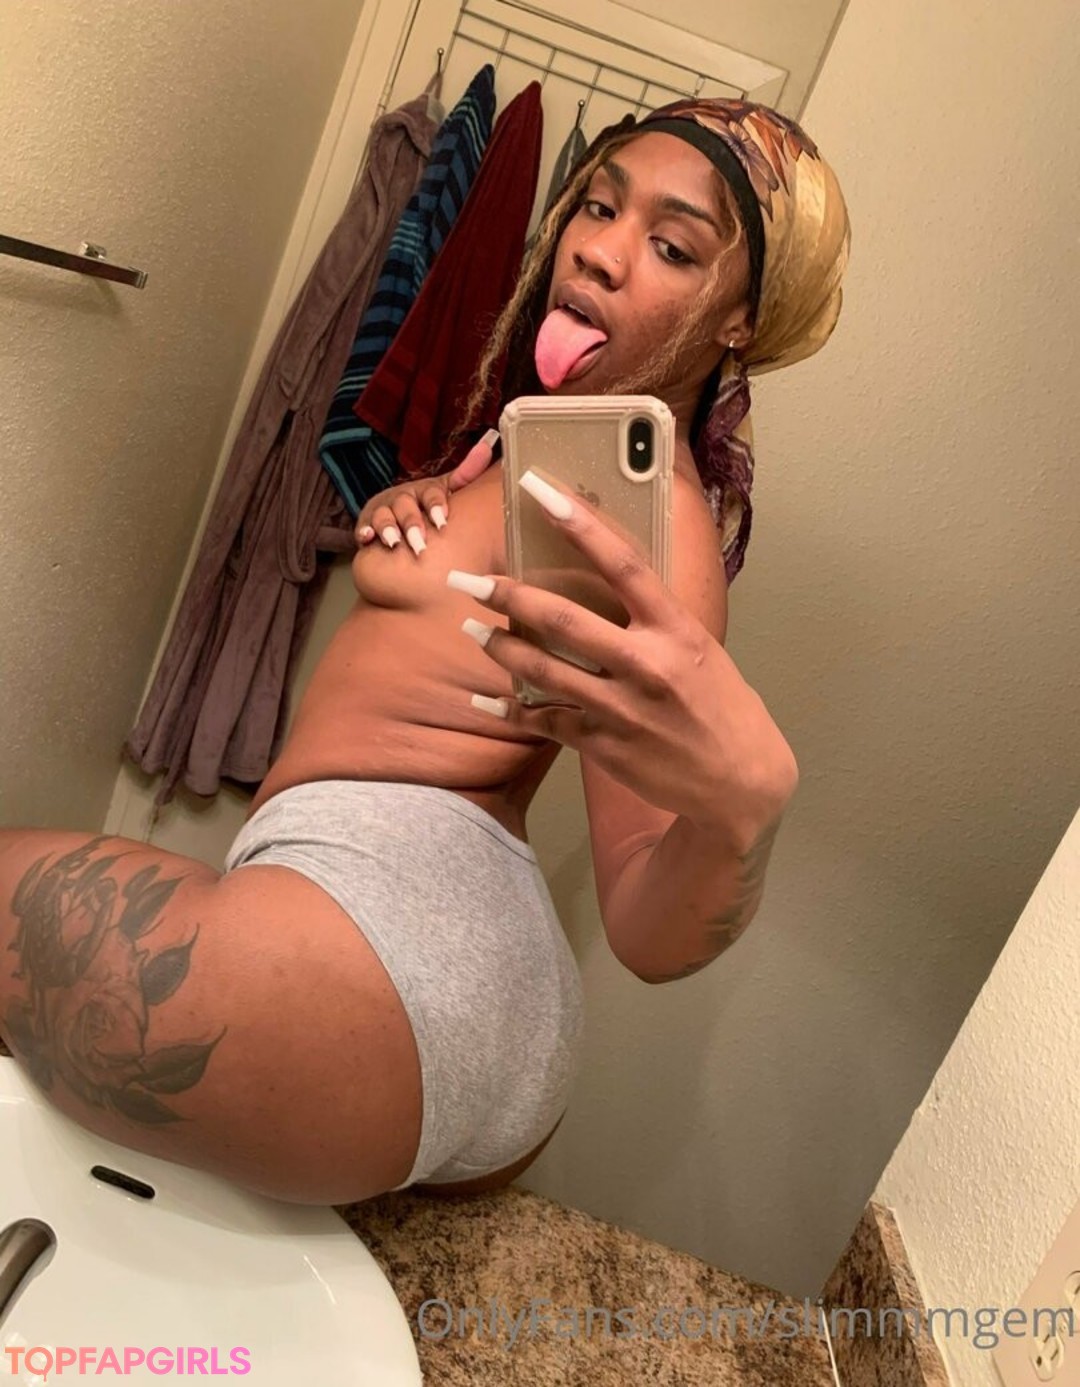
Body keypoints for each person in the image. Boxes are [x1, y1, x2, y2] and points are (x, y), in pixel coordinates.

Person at [0, 98, 850, 1206]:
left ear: (741, 320)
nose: (597, 249)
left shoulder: (651, 523)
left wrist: (742, 818)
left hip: (397, 939)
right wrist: (409, 518)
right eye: (599, 206)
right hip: (416, 963)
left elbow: (645, 915)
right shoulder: (535, 453)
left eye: (673, 246)